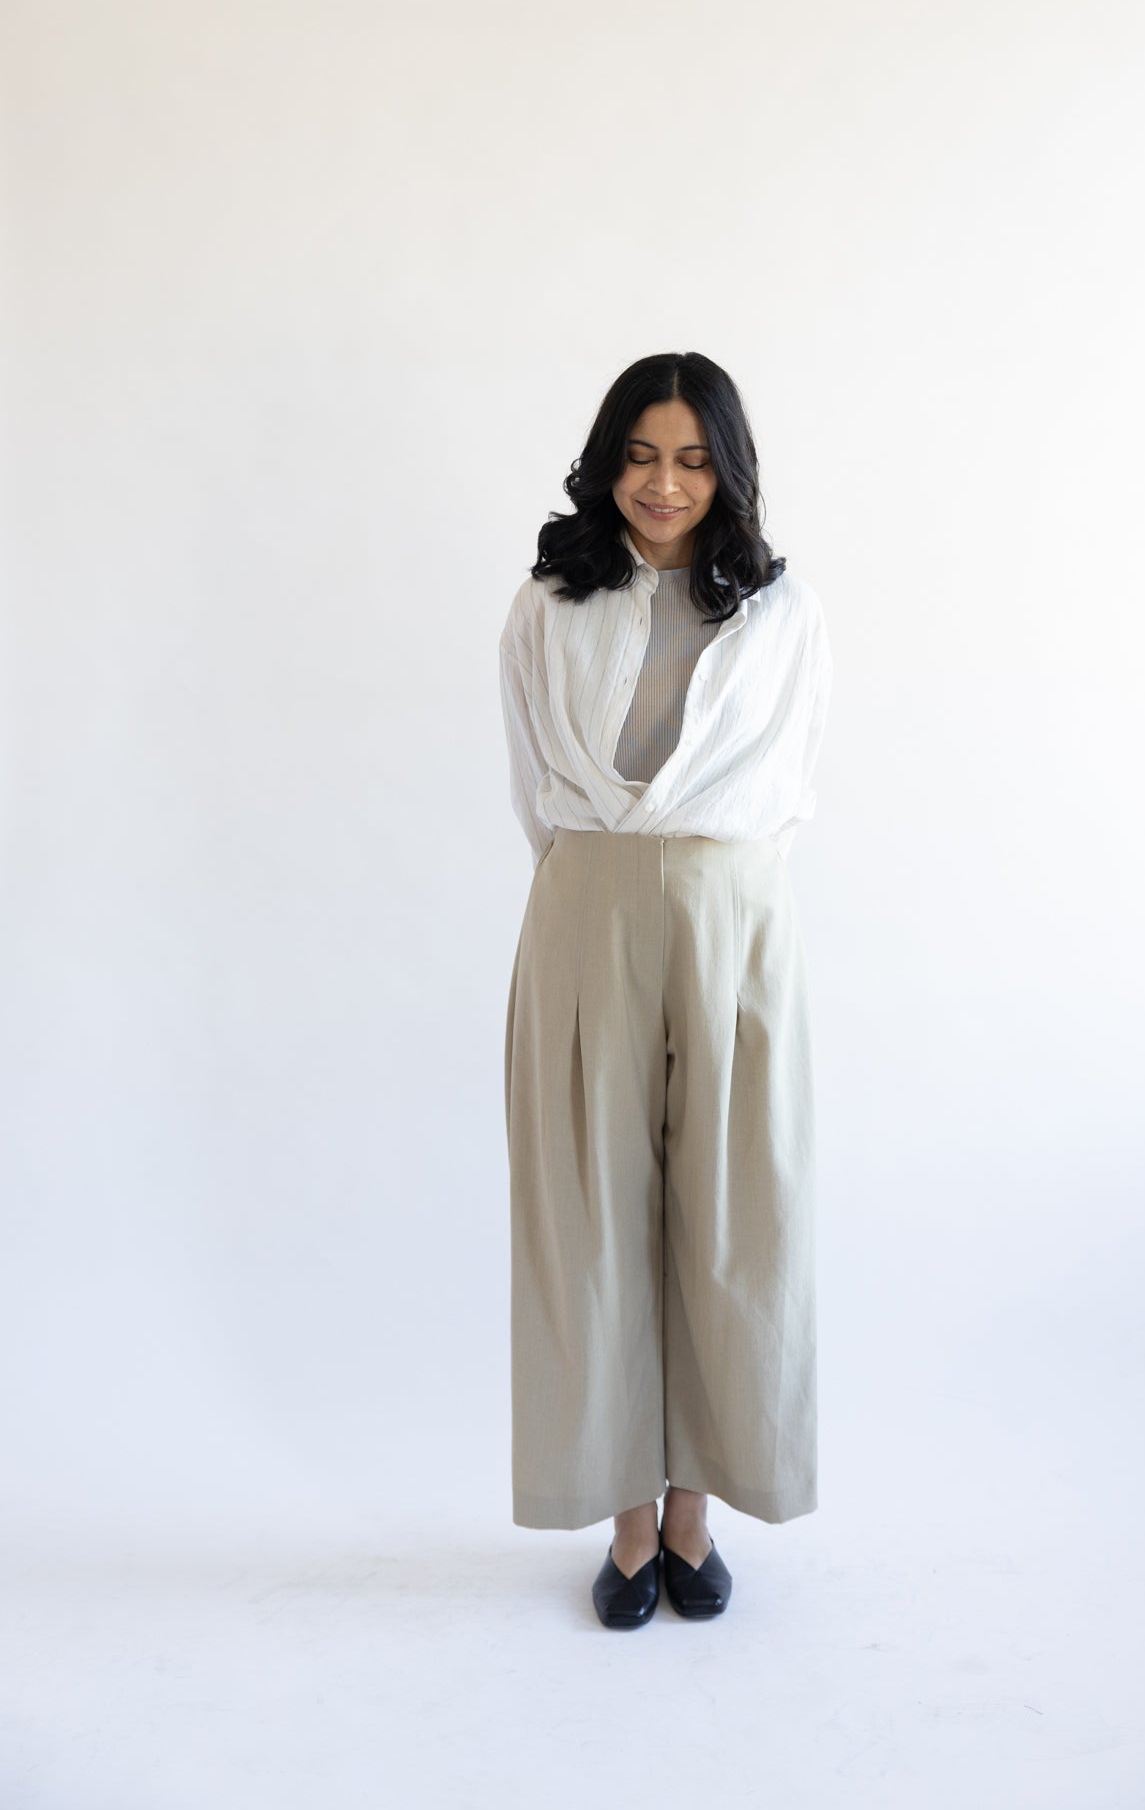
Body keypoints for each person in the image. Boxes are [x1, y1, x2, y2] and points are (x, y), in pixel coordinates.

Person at [498, 351, 833, 1628]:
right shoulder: (548, 603)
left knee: (737, 1211)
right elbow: (530, 777)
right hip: (585, 903)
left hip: (734, 912)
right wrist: (600, 889)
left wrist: (710, 890)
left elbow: (792, 782)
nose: (664, 482)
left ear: (727, 469)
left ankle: (694, 1509)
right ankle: (626, 1523)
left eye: (693, 458)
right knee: (587, 1217)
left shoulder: (783, 611)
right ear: (607, 461)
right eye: (640, 454)